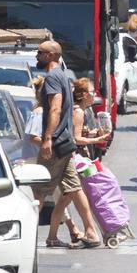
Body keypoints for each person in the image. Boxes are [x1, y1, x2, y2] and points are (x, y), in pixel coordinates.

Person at [35, 40, 101, 248]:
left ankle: (22, 235)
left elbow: (55, 109)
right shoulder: (63, 76)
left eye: (40, 53)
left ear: (51, 55)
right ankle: (88, 232)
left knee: (39, 191)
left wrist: (47, 138)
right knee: (73, 188)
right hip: (66, 144)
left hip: (56, 145)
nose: (37, 56)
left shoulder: (53, 77)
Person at [24, 77, 85, 246]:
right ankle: (30, 234)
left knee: (65, 194)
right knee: (41, 196)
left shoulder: (49, 112)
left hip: (53, 157)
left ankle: (63, 233)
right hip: (39, 161)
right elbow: (34, 138)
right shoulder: (40, 112)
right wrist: (51, 145)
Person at [72, 78, 111, 158]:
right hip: (77, 157)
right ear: (85, 95)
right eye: (92, 92)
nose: (95, 94)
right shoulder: (78, 112)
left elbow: (79, 134)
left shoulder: (83, 110)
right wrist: (98, 140)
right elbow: (76, 139)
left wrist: (91, 134)